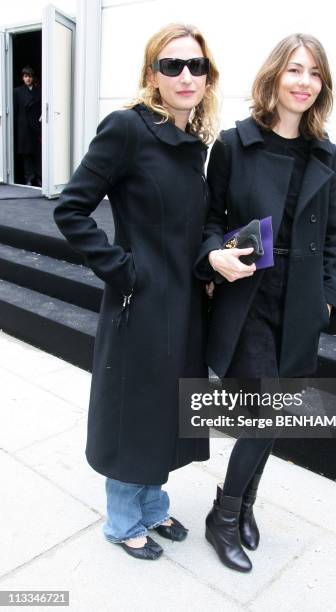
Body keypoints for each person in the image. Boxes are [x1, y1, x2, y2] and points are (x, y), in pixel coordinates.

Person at [53, 23, 219, 560]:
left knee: (167, 409)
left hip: (186, 302)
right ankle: (124, 520)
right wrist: (122, 270)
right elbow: (71, 206)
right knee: (136, 411)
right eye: (172, 65)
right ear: (152, 74)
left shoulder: (195, 142)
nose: (185, 75)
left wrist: (210, 263)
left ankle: (152, 506)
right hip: (141, 302)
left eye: (196, 65)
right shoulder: (127, 128)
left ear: (208, 75)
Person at [194, 33, 336, 572]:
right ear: (275, 76)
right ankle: (225, 517)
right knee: (264, 413)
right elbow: (210, 220)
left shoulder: (326, 152)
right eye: (295, 70)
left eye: (314, 73)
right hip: (249, 293)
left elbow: (332, 236)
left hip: (301, 300)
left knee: (276, 415)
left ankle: (244, 505)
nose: (304, 82)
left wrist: (330, 298)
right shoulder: (236, 143)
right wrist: (215, 257)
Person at [13, 66, 42, 186]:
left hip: (36, 126)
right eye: (25, 76)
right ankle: (29, 178)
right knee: (26, 154)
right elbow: (15, 110)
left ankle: (39, 177)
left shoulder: (39, 90)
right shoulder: (17, 91)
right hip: (23, 127)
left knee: (37, 153)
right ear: (22, 78)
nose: (28, 79)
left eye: (29, 76)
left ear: (32, 77)